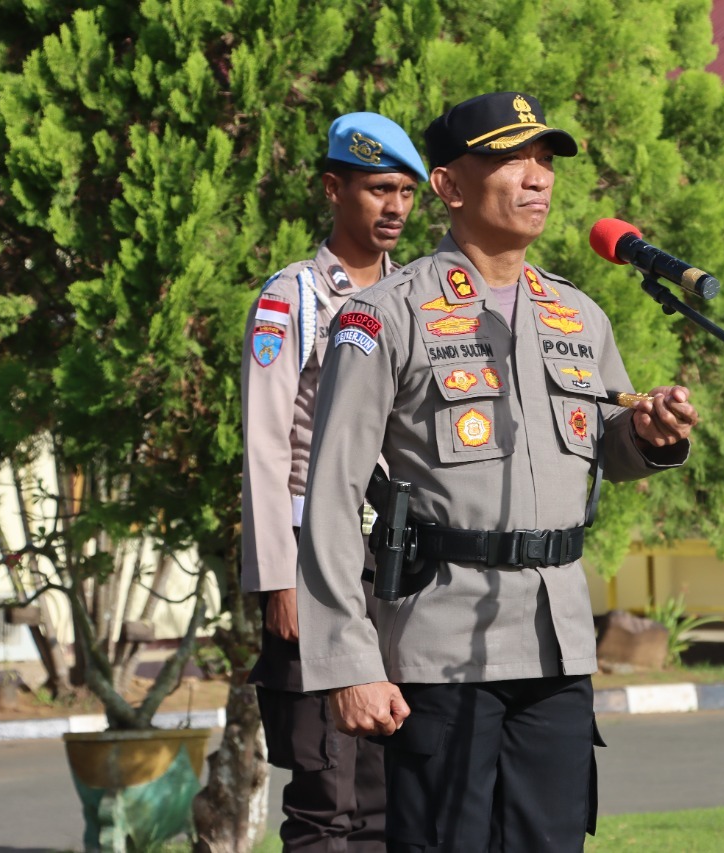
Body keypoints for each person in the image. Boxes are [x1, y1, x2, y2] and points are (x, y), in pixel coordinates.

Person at [295, 91, 699, 852]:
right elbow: (331, 498)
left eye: (545, 160)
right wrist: (348, 661)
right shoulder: (384, 315)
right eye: (513, 158)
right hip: (443, 641)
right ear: (449, 186)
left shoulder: (579, 316)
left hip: (557, 642)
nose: (537, 177)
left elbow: (603, 445)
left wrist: (651, 435)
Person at [240, 111, 428, 852]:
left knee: (388, 781)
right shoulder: (294, 299)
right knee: (326, 792)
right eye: (379, 188)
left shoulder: (414, 297)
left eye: (407, 193)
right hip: (312, 557)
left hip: (395, 565)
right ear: (332, 188)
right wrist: (277, 577)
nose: (395, 208)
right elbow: (264, 444)